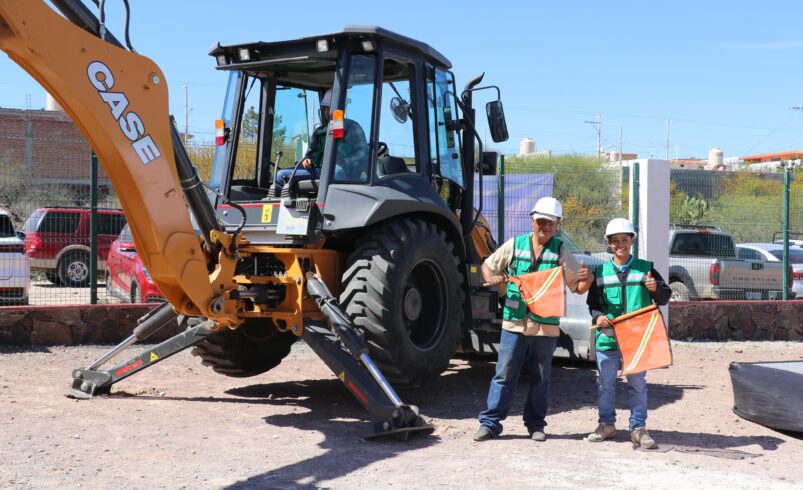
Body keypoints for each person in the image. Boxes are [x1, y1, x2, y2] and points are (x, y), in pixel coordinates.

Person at [474, 197, 593, 442]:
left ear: (557, 223)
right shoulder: (515, 245)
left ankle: (536, 425)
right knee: (504, 374)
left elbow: (577, 287)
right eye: (541, 221)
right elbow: (487, 266)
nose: (545, 226)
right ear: (532, 221)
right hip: (515, 323)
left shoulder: (561, 250)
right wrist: (493, 278)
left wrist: (587, 278)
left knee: (541, 377)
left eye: (550, 222)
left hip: (545, 327)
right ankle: (490, 424)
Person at [585, 217, 671, 449]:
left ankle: (639, 429)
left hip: (637, 340)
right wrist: (597, 316)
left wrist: (657, 289)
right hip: (608, 338)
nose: (620, 244)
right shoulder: (599, 272)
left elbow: (663, 298)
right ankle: (606, 425)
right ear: (609, 244)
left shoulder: (646, 269)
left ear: (632, 241)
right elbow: (592, 303)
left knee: (637, 384)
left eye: (625, 239)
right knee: (605, 383)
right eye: (615, 241)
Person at [272, 88, 368, 194]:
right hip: (318, 169)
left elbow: (363, 153)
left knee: (336, 171)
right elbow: (309, 154)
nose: (329, 111)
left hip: (341, 172)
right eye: (327, 108)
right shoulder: (319, 131)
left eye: (332, 108)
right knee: (279, 175)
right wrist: (306, 160)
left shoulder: (352, 127)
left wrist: (346, 161)